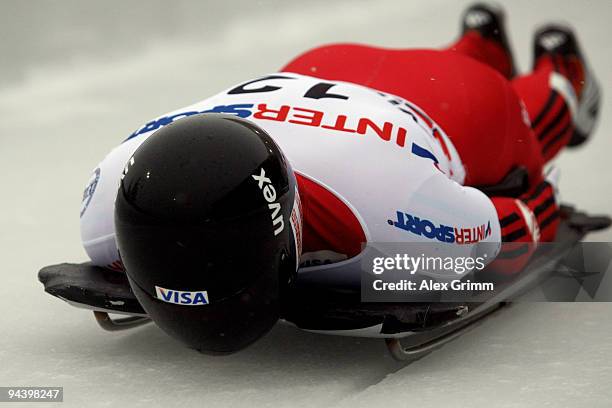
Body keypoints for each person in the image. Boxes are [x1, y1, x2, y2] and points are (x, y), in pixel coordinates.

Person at [79, 3, 600, 352]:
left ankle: (559, 72)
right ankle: (475, 40)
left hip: (457, 100)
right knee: (441, 74)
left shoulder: (395, 222)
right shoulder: (109, 199)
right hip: (321, 68)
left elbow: (510, 230)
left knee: (529, 133)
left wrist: (541, 197)